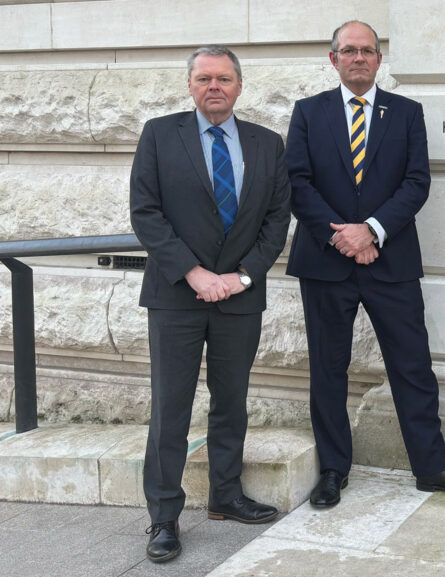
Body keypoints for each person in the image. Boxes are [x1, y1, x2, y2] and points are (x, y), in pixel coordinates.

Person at [285, 20, 445, 507]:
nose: (359, 58)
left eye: (368, 51)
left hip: (390, 259)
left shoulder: (406, 113)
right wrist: (345, 237)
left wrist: (371, 230)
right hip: (326, 261)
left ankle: (433, 467)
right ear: (333, 59)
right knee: (328, 370)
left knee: (413, 367)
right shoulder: (308, 113)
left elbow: (416, 182)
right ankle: (333, 469)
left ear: (380, 60)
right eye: (349, 50)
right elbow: (297, 182)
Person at [129, 45, 291, 563]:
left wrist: (241, 277)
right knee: (171, 407)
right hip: (176, 295)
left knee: (231, 402)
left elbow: (276, 220)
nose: (213, 86)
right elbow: (146, 213)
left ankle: (226, 495)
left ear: (239, 86)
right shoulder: (160, 134)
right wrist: (195, 273)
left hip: (239, 298)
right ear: (190, 85)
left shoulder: (267, 144)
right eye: (203, 78)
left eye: (223, 78)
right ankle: (163, 517)